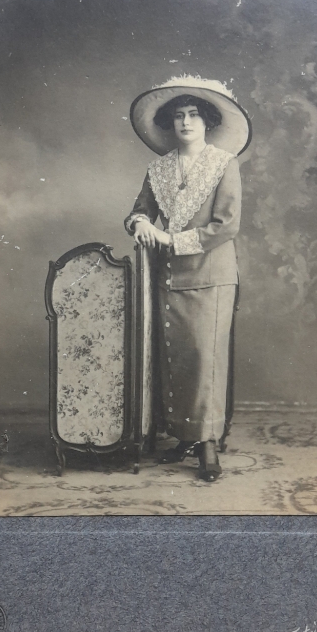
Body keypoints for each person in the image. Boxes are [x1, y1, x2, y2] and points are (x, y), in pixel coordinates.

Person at [124, 77, 251, 482]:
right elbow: (138, 211)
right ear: (169, 123)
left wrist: (169, 238)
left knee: (204, 359)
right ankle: (185, 436)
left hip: (211, 276)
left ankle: (208, 444)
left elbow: (226, 225)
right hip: (168, 279)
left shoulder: (223, 163)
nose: (186, 122)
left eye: (194, 115)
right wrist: (141, 222)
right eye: (178, 116)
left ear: (208, 122)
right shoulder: (158, 168)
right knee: (175, 358)